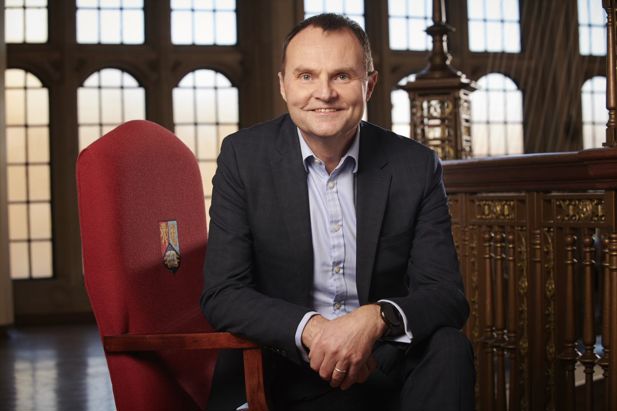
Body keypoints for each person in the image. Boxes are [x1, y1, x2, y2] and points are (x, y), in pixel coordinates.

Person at [201, 13, 474, 411]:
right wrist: (314, 331)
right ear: (284, 85)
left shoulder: (415, 166)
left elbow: (446, 295)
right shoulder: (243, 158)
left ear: (370, 85)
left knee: (450, 347)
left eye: (342, 76)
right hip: (285, 368)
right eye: (306, 76)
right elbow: (223, 293)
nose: (324, 93)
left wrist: (375, 318)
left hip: (382, 362)